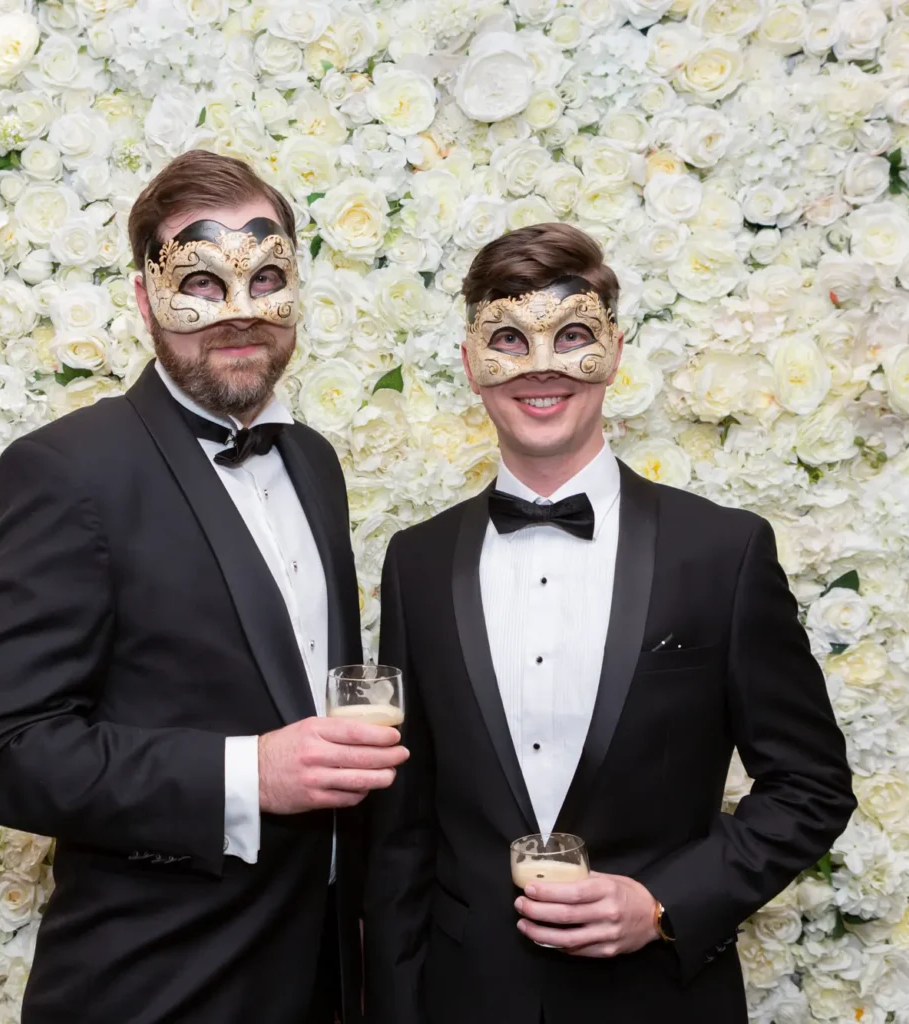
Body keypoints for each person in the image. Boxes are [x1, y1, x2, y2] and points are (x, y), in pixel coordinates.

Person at [0, 150, 406, 1023]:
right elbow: (1, 755)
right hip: (157, 984)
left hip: (321, 973)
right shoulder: (68, 470)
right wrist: (248, 772)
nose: (239, 315)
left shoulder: (313, 463)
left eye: (266, 277)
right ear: (142, 299)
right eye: (200, 283)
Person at [362, 222, 856, 1023]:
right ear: (470, 363)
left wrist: (665, 903)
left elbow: (810, 786)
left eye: (574, 336)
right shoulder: (415, 563)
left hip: (659, 999)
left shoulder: (722, 552)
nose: (543, 366)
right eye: (510, 340)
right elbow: (400, 831)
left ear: (616, 351)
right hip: (466, 998)